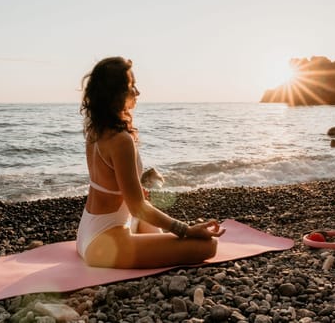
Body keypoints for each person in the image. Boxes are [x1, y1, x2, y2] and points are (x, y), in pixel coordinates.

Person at [77, 56, 225, 269]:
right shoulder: (121, 140)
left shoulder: (95, 130)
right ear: (115, 95)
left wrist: (137, 197)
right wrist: (187, 229)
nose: (137, 92)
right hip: (104, 245)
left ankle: (155, 246)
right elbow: (137, 208)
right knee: (209, 246)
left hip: (87, 233)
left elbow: (115, 189)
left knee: (151, 219)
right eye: (131, 86)